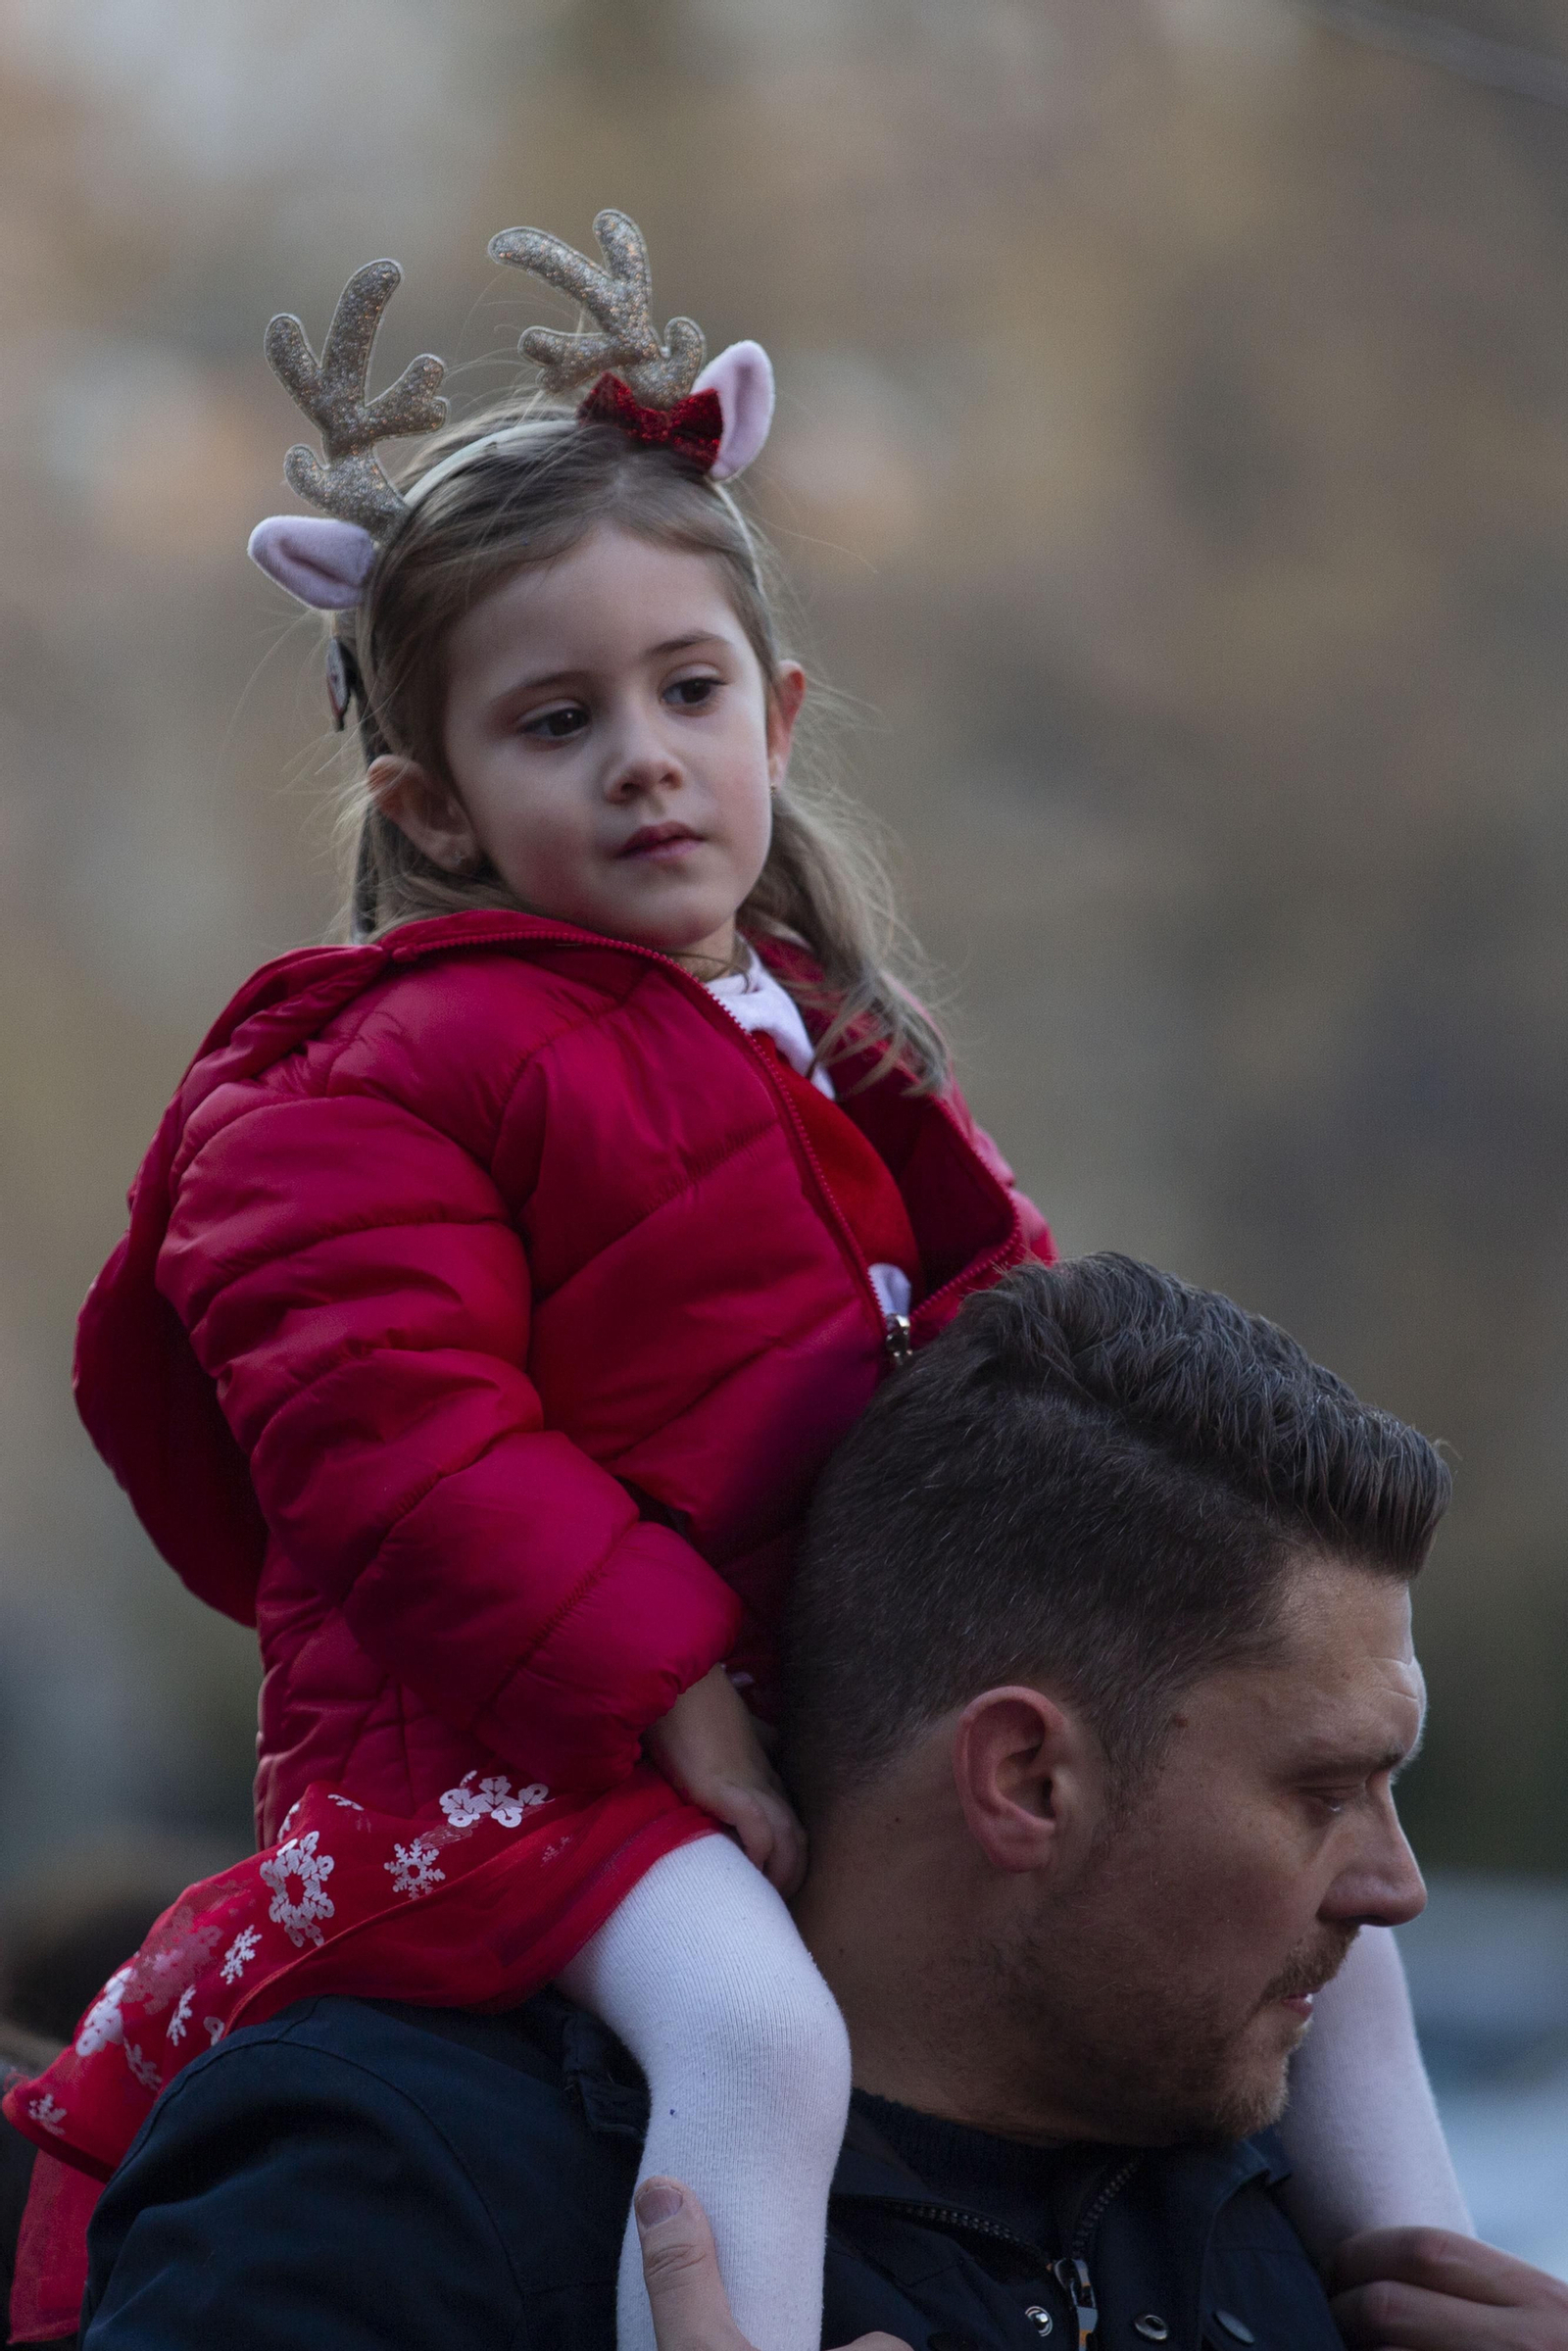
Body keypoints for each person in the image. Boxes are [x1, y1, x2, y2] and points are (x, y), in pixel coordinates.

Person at [7, 211, 1462, 2349]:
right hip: (512, 1749)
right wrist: (668, 1683)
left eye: (685, 692)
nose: (642, 756)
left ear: (774, 714)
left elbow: (1016, 1335)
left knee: (1322, 1905)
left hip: (774, 1701)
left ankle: (1411, 2283)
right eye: (555, 720)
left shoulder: (817, 1034)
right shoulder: (358, 1075)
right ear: (432, 804)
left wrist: (1123, 1551)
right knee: (761, 2046)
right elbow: (393, 1439)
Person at [70, 1259, 1559, 2351]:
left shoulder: (1299, 2225)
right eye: (1323, 1792)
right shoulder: (393, 2184)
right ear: (1026, 1779)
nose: (1394, 1885)